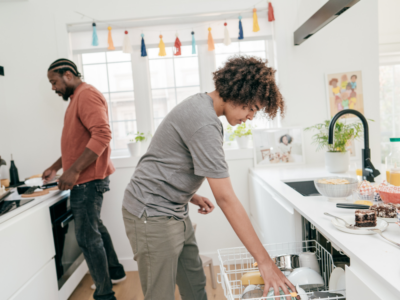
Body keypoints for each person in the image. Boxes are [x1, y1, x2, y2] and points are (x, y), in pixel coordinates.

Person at [122, 56, 297, 300]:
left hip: (175, 208)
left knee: (194, 285)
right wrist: (264, 262)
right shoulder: (204, 122)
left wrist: (188, 194)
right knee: (159, 294)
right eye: (252, 108)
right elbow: (225, 198)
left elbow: (166, 157)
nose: (251, 116)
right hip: (150, 213)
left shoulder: (202, 106)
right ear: (240, 94)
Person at [43, 59, 126, 300]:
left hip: (87, 181)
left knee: (87, 238)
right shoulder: (76, 98)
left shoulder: (87, 95)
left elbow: (102, 135)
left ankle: (104, 295)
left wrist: (74, 172)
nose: (53, 87)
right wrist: (57, 166)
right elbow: (77, 143)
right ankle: (115, 271)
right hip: (86, 178)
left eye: (54, 81)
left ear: (68, 75)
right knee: (95, 227)